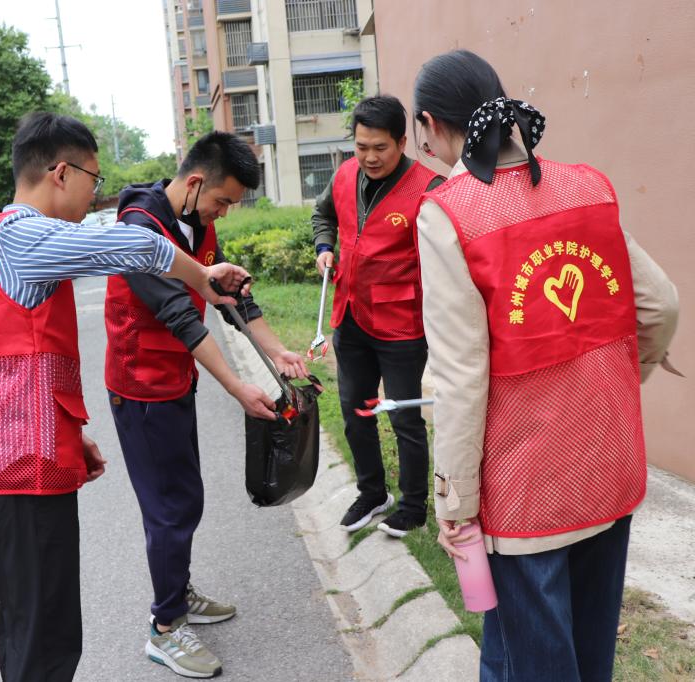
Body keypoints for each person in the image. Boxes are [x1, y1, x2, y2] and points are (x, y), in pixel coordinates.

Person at [413, 49, 679, 681]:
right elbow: (660, 303)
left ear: (430, 124)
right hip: (608, 465)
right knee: (588, 657)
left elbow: (459, 376)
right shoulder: (586, 185)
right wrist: (628, 375)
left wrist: (454, 499)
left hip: (524, 488)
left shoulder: (448, 211)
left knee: (530, 664)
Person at [0, 112, 251, 682]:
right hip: (18, 471)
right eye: (94, 179)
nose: (96, 195)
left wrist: (68, 434)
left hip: (24, 461)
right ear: (61, 173)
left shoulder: (13, 240)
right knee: (43, 638)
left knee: (37, 627)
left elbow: (21, 358)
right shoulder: (20, 235)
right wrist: (201, 277)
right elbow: (132, 244)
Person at [104, 131, 309, 678]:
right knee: (170, 507)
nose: (224, 212)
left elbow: (227, 296)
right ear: (195, 183)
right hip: (141, 388)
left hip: (175, 381)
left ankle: (177, 589)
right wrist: (238, 388)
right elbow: (181, 315)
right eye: (222, 200)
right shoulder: (138, 232)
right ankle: (164, 626)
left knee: (184, 495)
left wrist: (277, 351)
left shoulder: (198, 223)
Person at [312, 95, 444, 538]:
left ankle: (413, 506)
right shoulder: (344, 174)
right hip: (349, 314)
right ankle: (372, 494)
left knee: (404, 416)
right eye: (361, 146)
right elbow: (323, 214)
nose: (369, 157)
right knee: (355, 411)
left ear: (402, 143)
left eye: (380, 148)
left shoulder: (430, 189)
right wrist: (324, 247)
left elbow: (447, 260)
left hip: (401, 324)